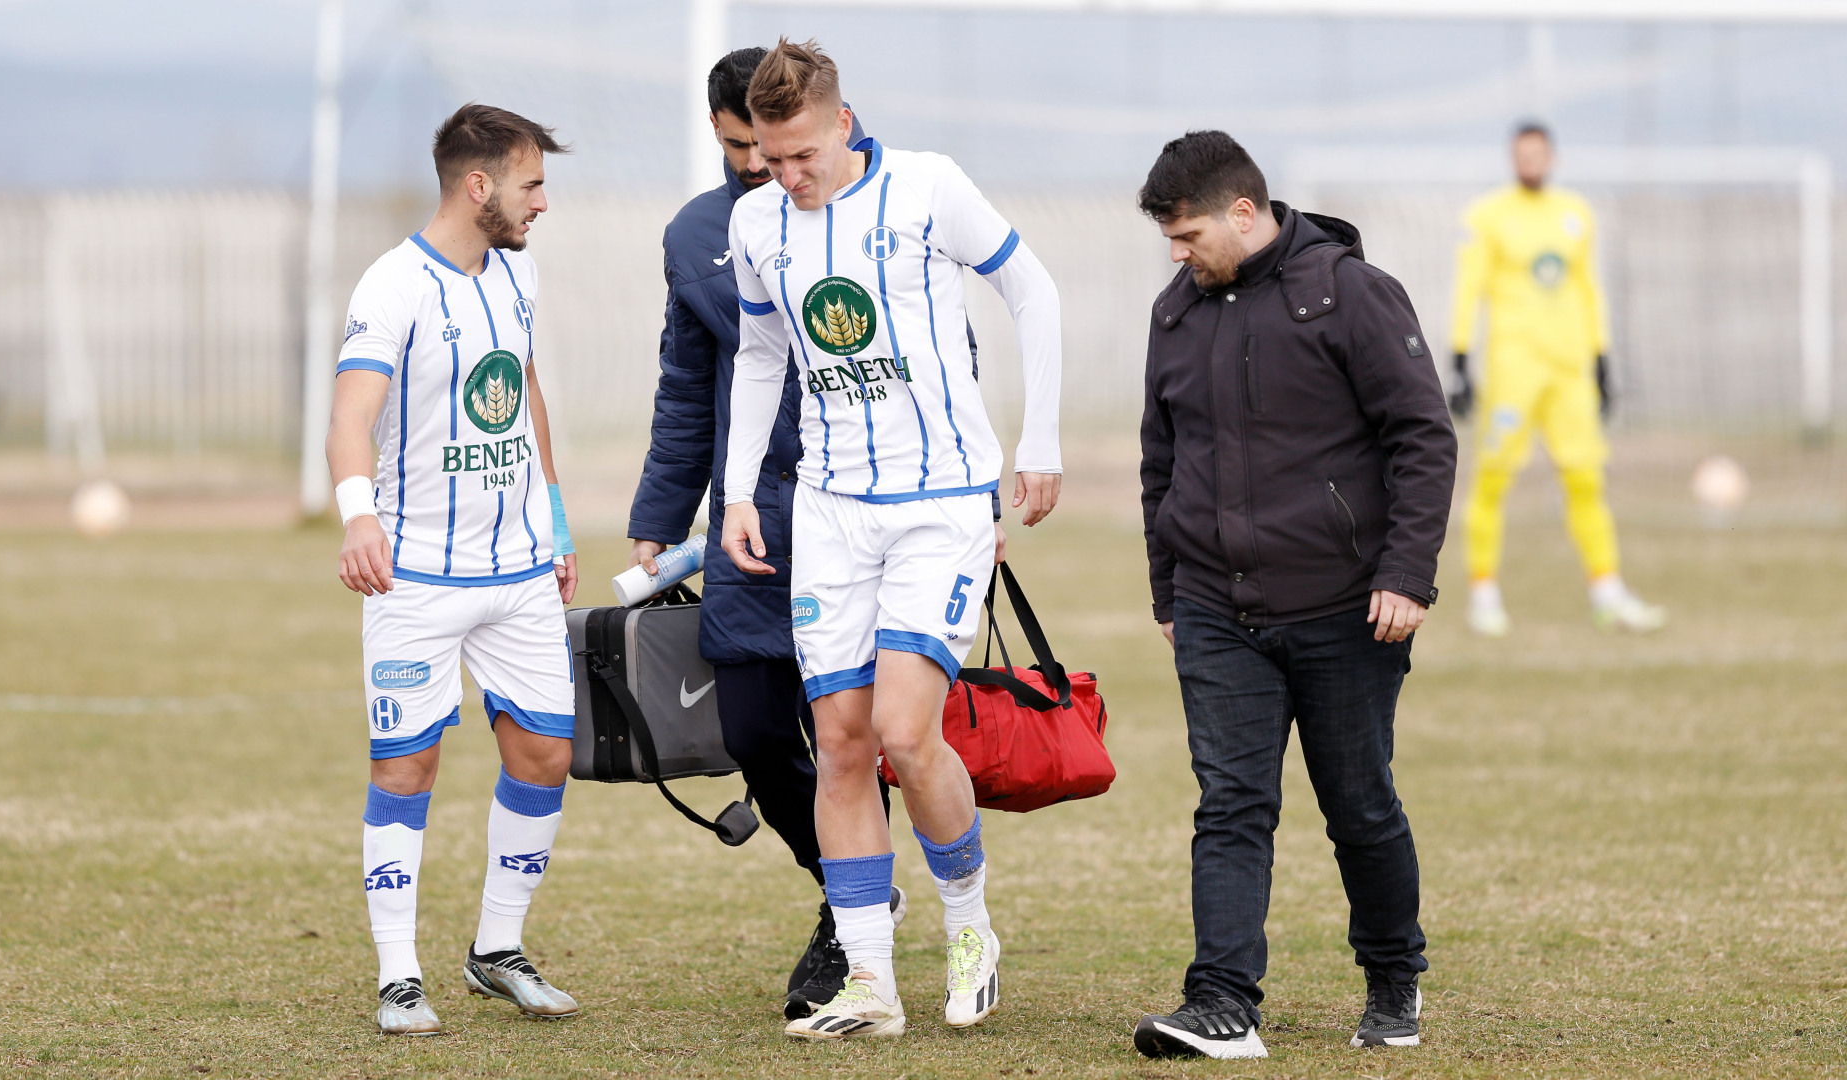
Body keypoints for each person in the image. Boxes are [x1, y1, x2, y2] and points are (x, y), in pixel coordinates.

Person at [719, 38, 1064, 1040]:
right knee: (840, 742)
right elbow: (756, 353)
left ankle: (969, 927)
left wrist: (1036, 442)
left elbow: (1032, 291)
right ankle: (869, 982)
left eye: (800, 158)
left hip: (940, 503)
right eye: (767, 161)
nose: (785, 178)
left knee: (908, 737)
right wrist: (740, 491)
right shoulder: (756, 224)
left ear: (843, 123)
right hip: (827, 509)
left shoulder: (927, 190)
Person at [1133, 131, 1457, 1059]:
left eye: (1189, 233)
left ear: (1246, 212)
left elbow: (1423, 438)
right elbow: (1163, 463)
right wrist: (1168, 590)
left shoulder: (1351, 293)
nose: (1177, 253)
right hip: (1211, 609)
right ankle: (1222, 1003)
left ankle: (1394, 977)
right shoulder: (1175, 315)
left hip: (1347, 608)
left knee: (1359, 806)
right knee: (1230, 805)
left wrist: (1405, 574)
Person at [623, 46, 905, 1021]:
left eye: (780, 147)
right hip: (753, 515)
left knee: (854, 729)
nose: (768, 166)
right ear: (721, 131)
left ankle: (851, 928)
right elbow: (688, 386)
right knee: (751, 727)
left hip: (871, 505)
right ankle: (847, 885)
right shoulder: (702, 232)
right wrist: (660, 522)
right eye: (747, 146)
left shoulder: (886, 205)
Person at [328, 104, 581, 1037]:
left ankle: (496, 949)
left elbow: (524, 390)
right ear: (479, 187)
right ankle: (400, 975)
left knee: (546, 751)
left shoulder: (518, 276)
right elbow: (349, 417)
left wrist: (553, 520)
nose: (541, 204)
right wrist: (360, 520)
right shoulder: (392, 286)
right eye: (531, 184)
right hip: (417, 577)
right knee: (407, 765)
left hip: (518, 572)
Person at [1449, 121, 1666, 637]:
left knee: (1586, 478)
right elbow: (1468, 288)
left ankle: (1608, 594)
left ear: (1552, 157)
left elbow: (1589, 288)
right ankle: (1483, 594)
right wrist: (1459, 358)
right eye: (1521, 154)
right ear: (1512, 158)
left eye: (1537, 153)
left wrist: (1601, 356)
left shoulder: (1575, 214)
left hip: (1569, 371)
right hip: (1513, 370)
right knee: (1494, 478)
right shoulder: (1488, 216)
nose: (1530, 162)